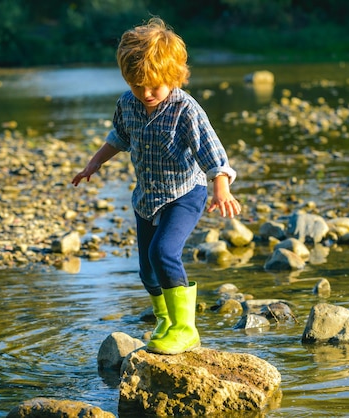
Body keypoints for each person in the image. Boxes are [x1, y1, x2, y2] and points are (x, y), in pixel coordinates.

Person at [71, 17, 240, 355]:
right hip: (147, 199)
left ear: (173, 77)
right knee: (147, 271)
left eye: (154, 87)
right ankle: (165, 319)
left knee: (163, 253)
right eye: (137, 86)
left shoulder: (186, 110)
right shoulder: (128, 103)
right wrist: (95, 162)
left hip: (184, 195)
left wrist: (221, 186)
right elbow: (118, 138)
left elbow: (212, 151)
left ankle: (185, 328)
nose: (145, 93)